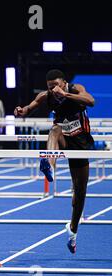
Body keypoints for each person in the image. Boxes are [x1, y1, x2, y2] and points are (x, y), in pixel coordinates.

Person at [14, 69, 96, 254]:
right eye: (50, 87)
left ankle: (73, 230)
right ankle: (49, 166)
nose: (53, 90)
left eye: (56, 86)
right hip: (62, 138)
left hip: (80, 141)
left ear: (64, 83)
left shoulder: (75, 89)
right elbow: (29, 108)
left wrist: (65, 94)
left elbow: (91, 101)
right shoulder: (46, 96)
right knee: (55, 130)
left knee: (80, 191)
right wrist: (21, 111)